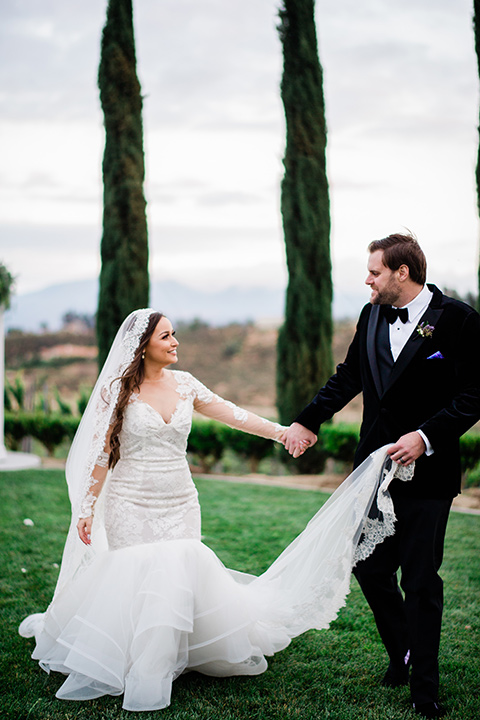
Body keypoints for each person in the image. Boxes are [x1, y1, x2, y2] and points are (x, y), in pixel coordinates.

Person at [20, 308, 410, 712]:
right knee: (135, 574)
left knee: (177, 572)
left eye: (174, 335)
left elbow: (233, 413)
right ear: (142, 347)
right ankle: (134, 658)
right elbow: (101, 454)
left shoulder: (186, 384)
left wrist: (283, 433)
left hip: (179, 498)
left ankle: (174, 652)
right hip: (129, 499)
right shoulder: (116, 392)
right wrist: (86, 507)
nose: (175, 343)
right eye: (166, 337)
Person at [284, 233, 480, 719]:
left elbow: (476, 392)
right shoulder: (372, 314)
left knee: (419, 579)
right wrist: (308, 420)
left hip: (429, 473)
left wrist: (427, 436)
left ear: (402, 273)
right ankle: (404, 652)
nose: (366, 280)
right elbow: (349, 375)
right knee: (368, 567)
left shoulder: (457, 319)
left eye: (374, 272)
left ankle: (425, 687)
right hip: (372, 467)